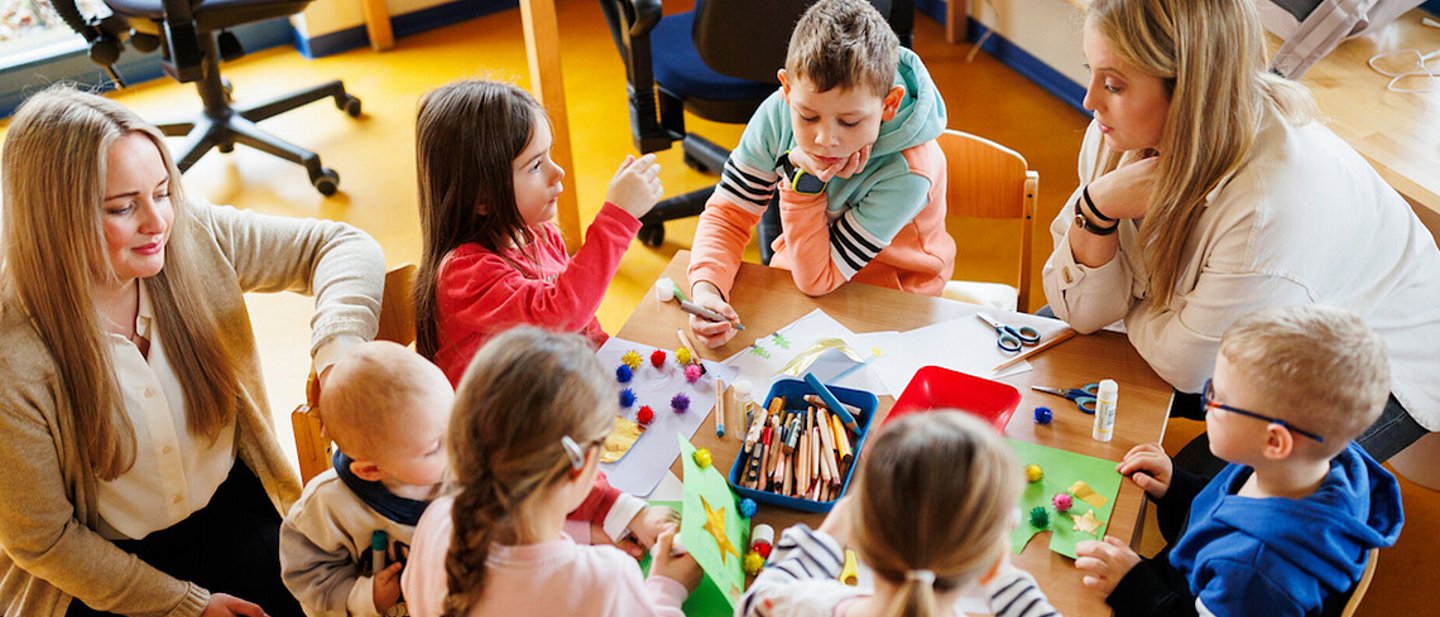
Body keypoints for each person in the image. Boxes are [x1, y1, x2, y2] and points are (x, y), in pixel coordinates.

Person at [0, 86, 387, 617]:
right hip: (102, 569)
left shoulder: (191, 234)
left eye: (162, 192)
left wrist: (337, 352)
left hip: (233, 511)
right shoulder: (12, 352)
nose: (157, 222)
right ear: (55, 220)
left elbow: (342, 245)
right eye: (122, 207)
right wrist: (186, 605)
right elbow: (43, 541)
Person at [1040, 0, 1440, 461]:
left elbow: (1187, 368)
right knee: (1050, 357)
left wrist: (1133, 302)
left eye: (1113, 84)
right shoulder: (1117, 131)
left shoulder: (1270, 202)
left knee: (1205, 499)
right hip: (1245, 316)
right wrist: (1098, 206)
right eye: (1092, 72)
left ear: (1190, 90)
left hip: (1373, 356)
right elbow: (1083, 312)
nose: (1089, 101)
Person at [1075, 306, 1404, 616]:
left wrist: (1134, 587)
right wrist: (1178, 487)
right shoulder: (1298, 467)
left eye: (1219, 398)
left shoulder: (1257, 570)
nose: (1207, 405)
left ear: (1274, 441)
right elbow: (1227, 515)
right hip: (1179, 585)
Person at [686, 0, 953, 349]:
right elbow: (729, 214)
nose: (825, 139)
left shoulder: (910, 171)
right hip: (804, 265)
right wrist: (707, 288)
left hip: (896, 299)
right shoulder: (779, 114)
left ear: (889, 104)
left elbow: (818, 279)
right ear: (786, 89)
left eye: (850, 121)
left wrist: (802, 180)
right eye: (808, 117)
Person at [401, 327, 702, 617]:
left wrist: (586, 534)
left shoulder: (437, 519)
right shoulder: (605, 580)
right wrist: (667, 589)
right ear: (582, 467)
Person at [411, 79, 665, 384]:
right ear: (482, 198)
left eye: (548, 155)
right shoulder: (463, 274)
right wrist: (617, 219)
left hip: (547, 393)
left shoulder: (538, 234)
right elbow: (561, 314)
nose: (558, 172)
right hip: (503, 423)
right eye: (535, 166)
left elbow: (582, 325)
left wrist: (616, 365)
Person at [740, 411, 1057, 617]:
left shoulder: (799, 607)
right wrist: (1004, 580)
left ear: (861, 532)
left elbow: (756, 601)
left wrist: (827, 537)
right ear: (989, 561)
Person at [280, 341, 456, 617]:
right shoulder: (326, 506)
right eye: (435, 446)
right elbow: (304, 574)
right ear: (371, 470)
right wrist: (362, 597)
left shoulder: (465, 470)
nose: (458, 445)